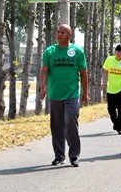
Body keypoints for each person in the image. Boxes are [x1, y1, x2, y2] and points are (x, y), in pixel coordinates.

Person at [40, 24, 88, 167]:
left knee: (71, 122)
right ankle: (59, 156)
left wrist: (85, 93)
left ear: (69, 35)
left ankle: (74, 155)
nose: (59, 34)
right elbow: (44, 70)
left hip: (72, 94)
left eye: (63, 32)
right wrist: (43, 87)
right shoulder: (50, 51)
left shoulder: (77, 51)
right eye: (58, 32)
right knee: (56, 126)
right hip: (55, 94)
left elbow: (83, 73)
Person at [102, 44, 121, 134]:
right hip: (111, 88)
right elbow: (105, 72)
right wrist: (104, 82)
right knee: (111, 108)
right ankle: (116, 122)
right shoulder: (109, 59)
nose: (118, 53)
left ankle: (120, 127)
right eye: (117, 51)